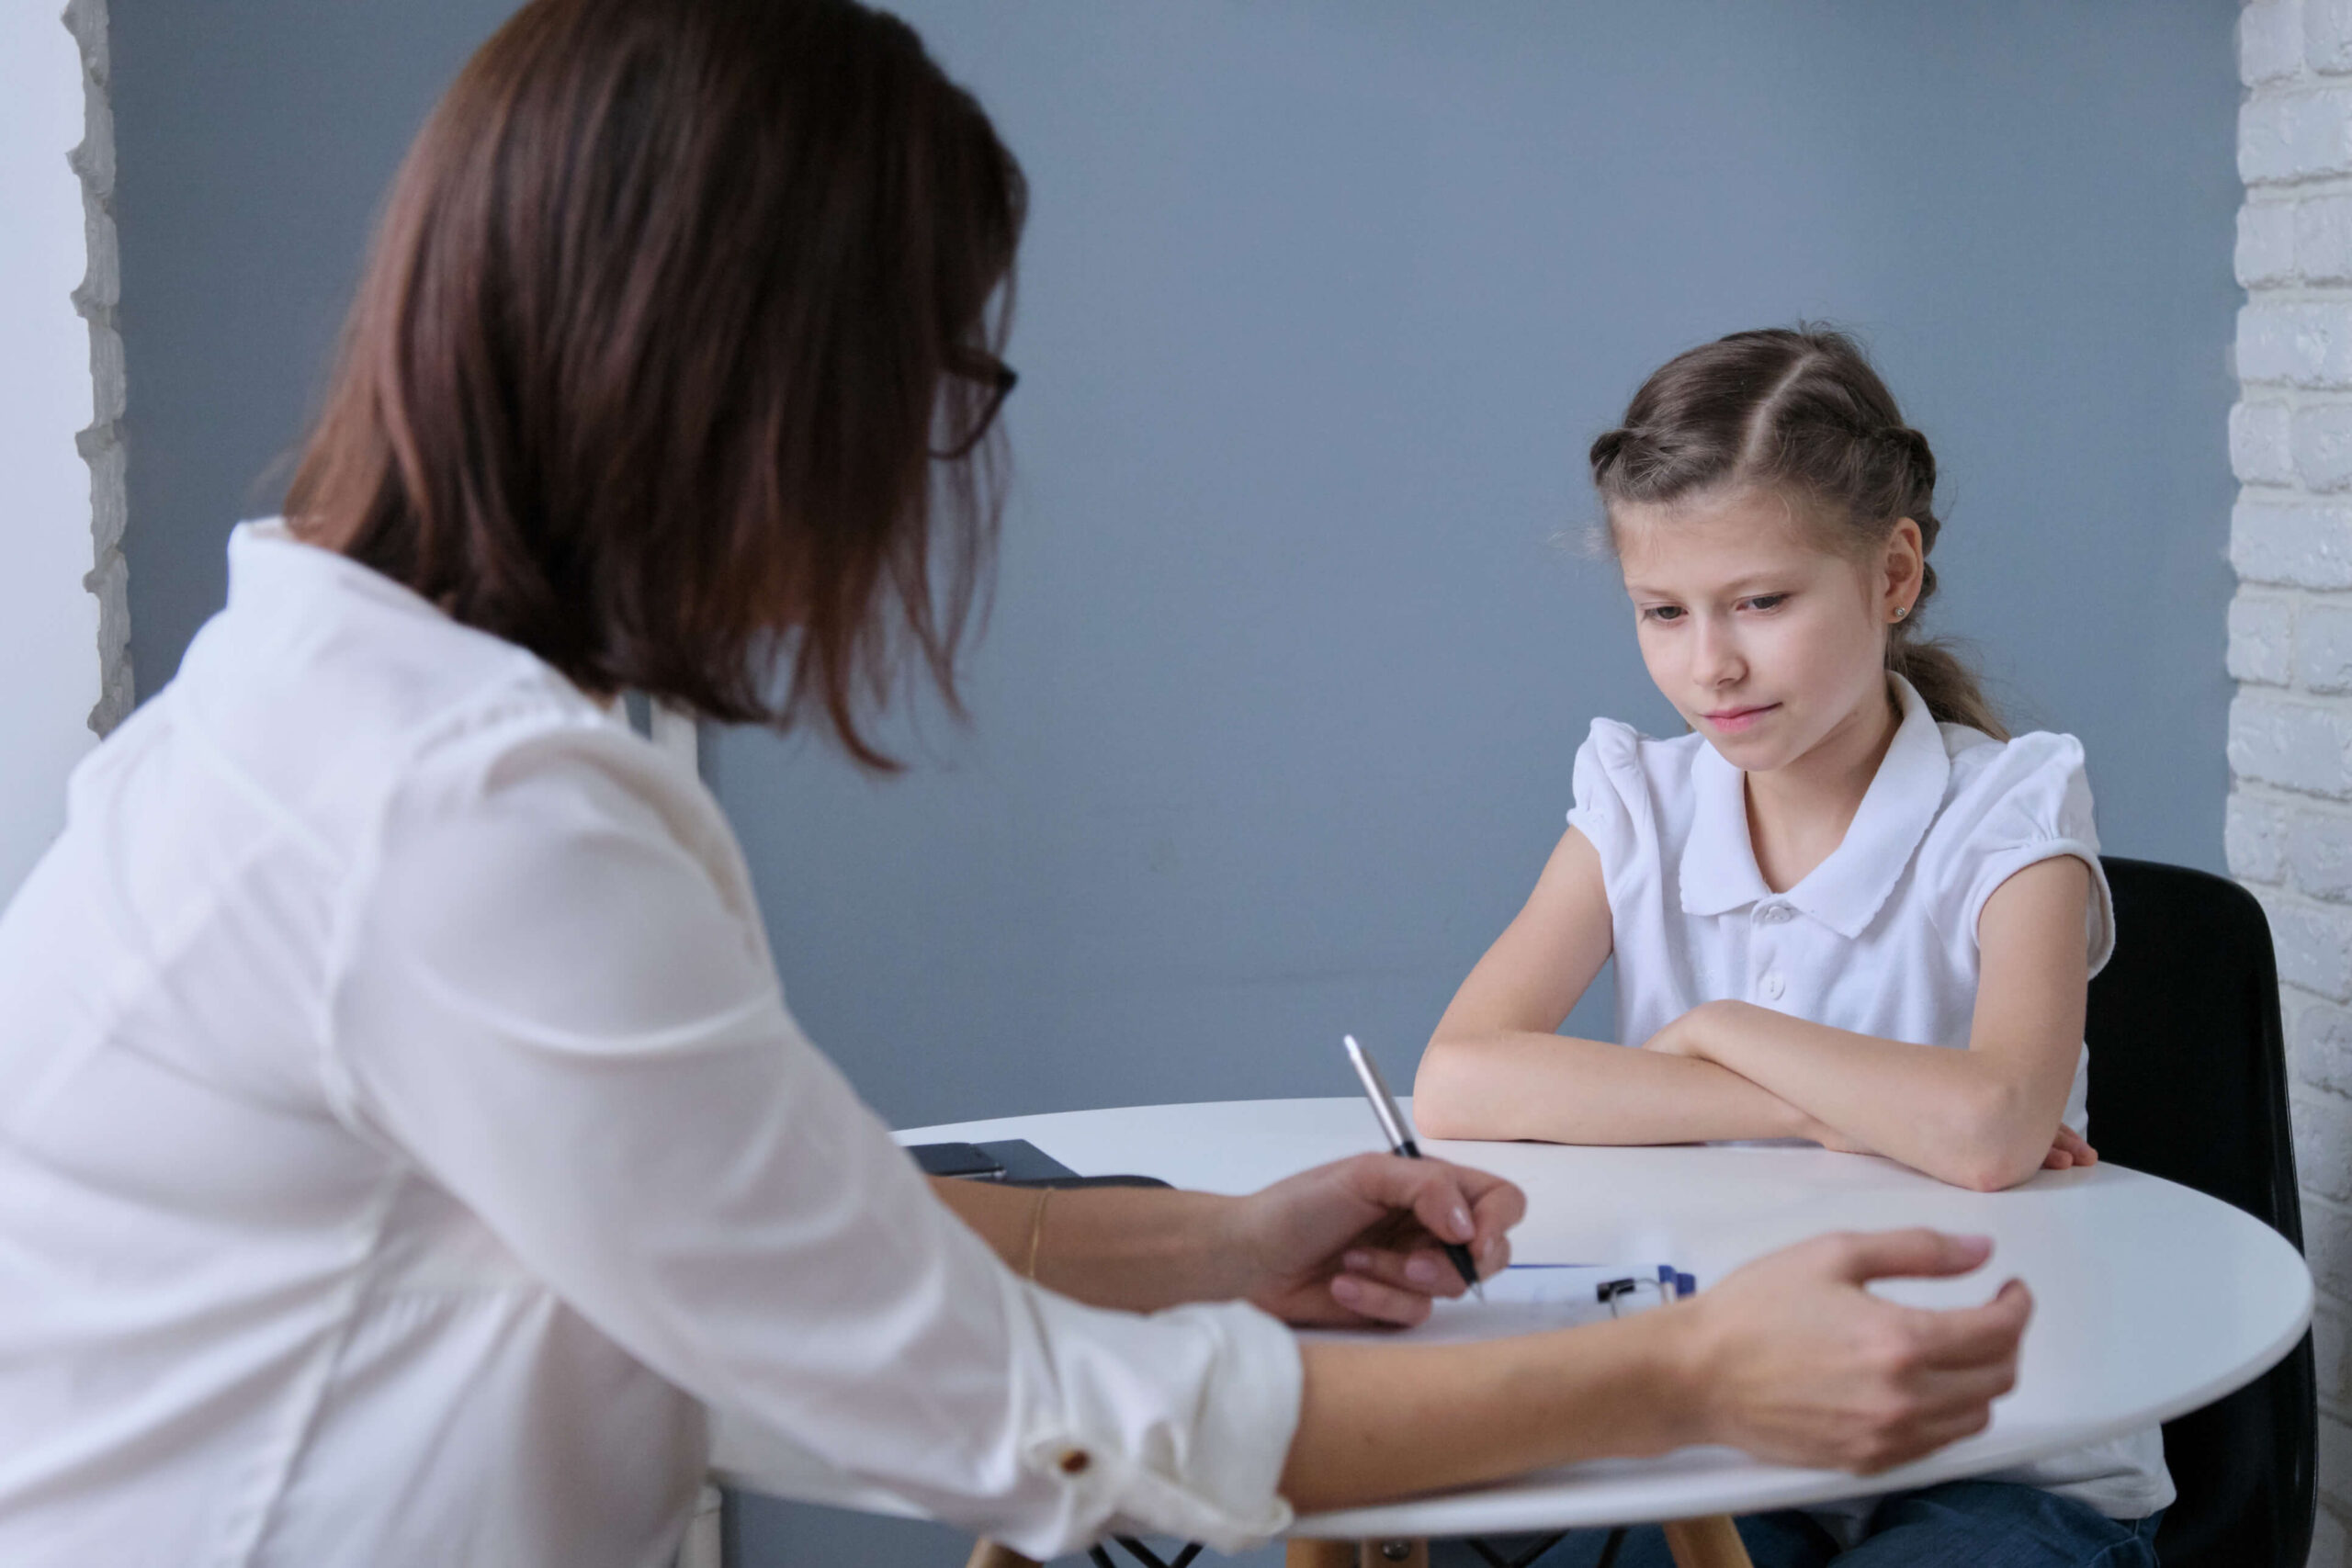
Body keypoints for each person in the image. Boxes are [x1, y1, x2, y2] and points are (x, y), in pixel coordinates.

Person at [0, 10, 2030, 1565]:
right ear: (758, 383)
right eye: (935, 381)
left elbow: (779, 1227)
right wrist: (1680, 1364)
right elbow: (1014, 1410)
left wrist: (1229, 1240)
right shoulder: (459, 815)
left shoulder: (332, 720)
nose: (928, 463)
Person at [1412, 327, 2169, 1567]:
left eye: (1761, 602)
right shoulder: (1637, 803)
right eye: (1664, 612)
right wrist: (1815, 1110)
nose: (1709, 665)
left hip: (2007, 1461)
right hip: (1730, 1438)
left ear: (1892, 573)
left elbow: (1988, 1131)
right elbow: (1463, 1075)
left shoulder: (2015, 810)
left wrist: (1722, 1030)